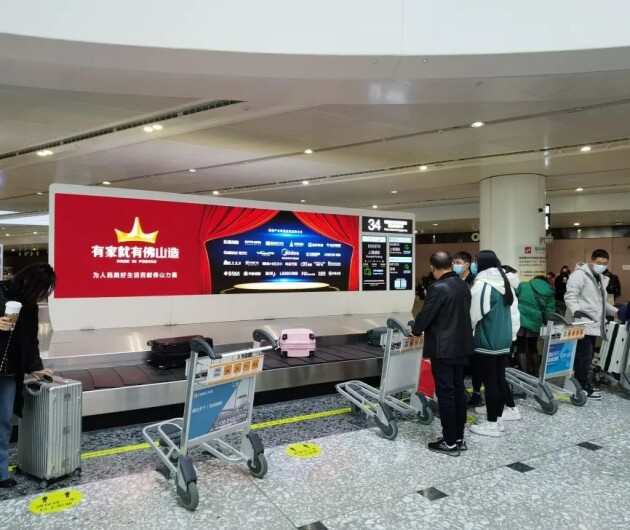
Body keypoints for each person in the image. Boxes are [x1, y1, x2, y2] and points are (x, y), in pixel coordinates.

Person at [0, 264, 56, 488]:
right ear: (26, 282)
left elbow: (31, 340)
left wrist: (36, 367)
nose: (40, 296)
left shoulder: (30, 307)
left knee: (4, 420)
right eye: (39, 289)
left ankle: (1, 472)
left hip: (8, 371)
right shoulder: (2, 293)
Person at [412, 251, 472, 456]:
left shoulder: (438, 287)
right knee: (458, 392)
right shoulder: (463, 285)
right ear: (451, 265)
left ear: (432, 267)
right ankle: (459, 438)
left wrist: (416, 329)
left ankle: (449, 442)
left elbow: (426, 315)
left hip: (443, 349)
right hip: (461, 347)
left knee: (445, 394)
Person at [469, 250, 520, 437]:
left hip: (487, 340)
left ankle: (492, 424)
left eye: (476, 261)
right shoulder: (503, 282)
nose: (474, 265)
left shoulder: (483, 285)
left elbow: (473, 315)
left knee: (490, 382)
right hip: (503, 340)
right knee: (498, 380)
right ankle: (497, 420)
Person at [565, 249, 618, 400]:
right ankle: (582, 386)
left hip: (594, 324)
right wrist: (576, 311)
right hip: (582, 323)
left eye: (605, 263)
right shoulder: (579, 275)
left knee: (586, 357)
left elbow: (601, 303)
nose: (602, 265)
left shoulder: (600, 278)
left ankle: (581, 383)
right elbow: (570, 296)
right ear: (592, 260)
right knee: (584, 357)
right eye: (599, 262)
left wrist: (617, 311)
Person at [516, 275, 556, 376]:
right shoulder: (549, 292)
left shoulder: (523, 285)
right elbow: (549, 312)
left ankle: (523, 373)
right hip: (535, 322)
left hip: (520, 320)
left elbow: (514, 299)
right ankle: (536, 372)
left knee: (521, 346)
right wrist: (548, 324)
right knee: (533, 346)